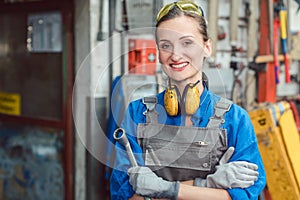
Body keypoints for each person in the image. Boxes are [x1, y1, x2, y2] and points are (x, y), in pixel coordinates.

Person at [110, 1, 266, 199]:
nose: (175, 55)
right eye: (166, 45)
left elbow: (246, 195)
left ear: (207, 47)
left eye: (187, 43)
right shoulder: (137, 113)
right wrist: (209, 185)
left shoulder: (235, 120)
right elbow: (124, 196)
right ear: (158, 52)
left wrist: (162, 189)